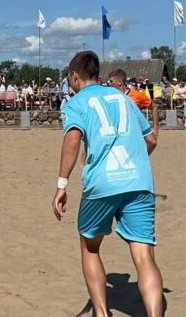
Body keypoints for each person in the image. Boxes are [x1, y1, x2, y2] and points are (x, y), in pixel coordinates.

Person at [52, 51, 163, 317]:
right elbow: (151, 140)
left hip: (102, 183)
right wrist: (135, 160)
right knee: (144, 256)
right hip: (139, 182)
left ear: (74, 76)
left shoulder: (75, 103)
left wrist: (61, 185)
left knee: (90, 246)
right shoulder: (123, 98)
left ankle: (101, 313)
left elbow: (72, 139)